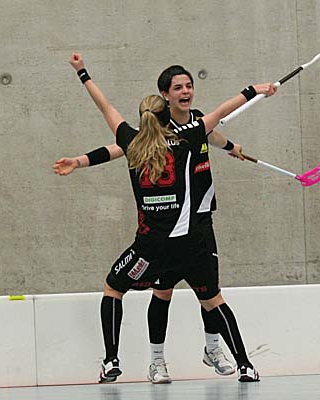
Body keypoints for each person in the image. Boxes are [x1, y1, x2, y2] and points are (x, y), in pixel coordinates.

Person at [68, 52, 276, 384]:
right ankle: (245, 365)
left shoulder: (131, 141)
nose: (186, 91)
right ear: (166, 106)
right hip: (191, 241)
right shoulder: (188, 136)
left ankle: (111, 360)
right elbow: (221, 112)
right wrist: (254, 89)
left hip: (151, 248)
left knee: (113, 288)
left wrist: (83, 73)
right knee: (213, 300)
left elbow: (105, 107)